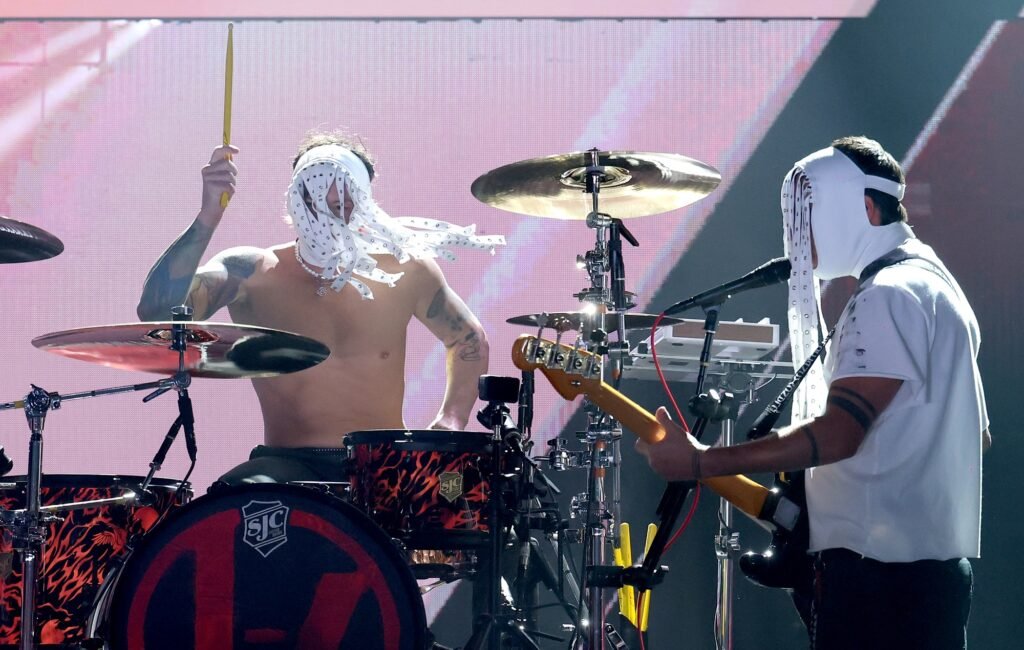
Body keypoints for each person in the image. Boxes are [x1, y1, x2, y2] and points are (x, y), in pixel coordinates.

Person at [636, 136, 988, 649]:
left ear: (866, 207)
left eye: (808, 214)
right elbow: (977, 436)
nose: (797, 236)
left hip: (877, 583)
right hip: (927, 577)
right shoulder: (934, 285)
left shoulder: (887, 296)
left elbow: (840, 434)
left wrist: (700, 460)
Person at [137, 131, 504, 485]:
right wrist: (208, 217)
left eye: (342, 203)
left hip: (381, 466)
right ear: (295, 200)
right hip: (286, 466)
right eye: (314, 200)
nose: (328, 216)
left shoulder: (405, 269)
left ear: (365, 202)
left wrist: (450, 422)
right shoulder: (251, 272)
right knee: (235, 502)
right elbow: (157, 312)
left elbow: (467, 339)